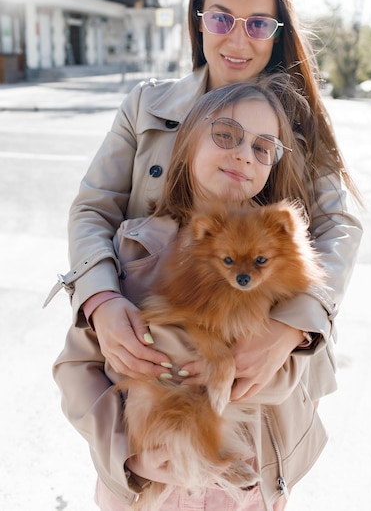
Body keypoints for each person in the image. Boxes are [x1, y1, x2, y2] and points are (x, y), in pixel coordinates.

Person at [46, 0, 363, 508]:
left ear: (278, 31)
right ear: (198, 20)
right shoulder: (148, 105)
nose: (237, 40)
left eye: (258, 23)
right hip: (153, 348)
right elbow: (94, 208)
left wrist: (293, 329)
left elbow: (338, 226)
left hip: (250, 381)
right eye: (220, 17)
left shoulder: (294, 124)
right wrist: (99, 299)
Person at [53, 76, 329, 511]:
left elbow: (305, 375)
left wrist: (271, 358)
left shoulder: (282, 260)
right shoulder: (135, 246)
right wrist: (128, 457)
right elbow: (76, 369)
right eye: (225, 135)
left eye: (263, 147)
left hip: (244, 478)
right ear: (186, 142)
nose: (243, 153)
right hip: (148, 485)